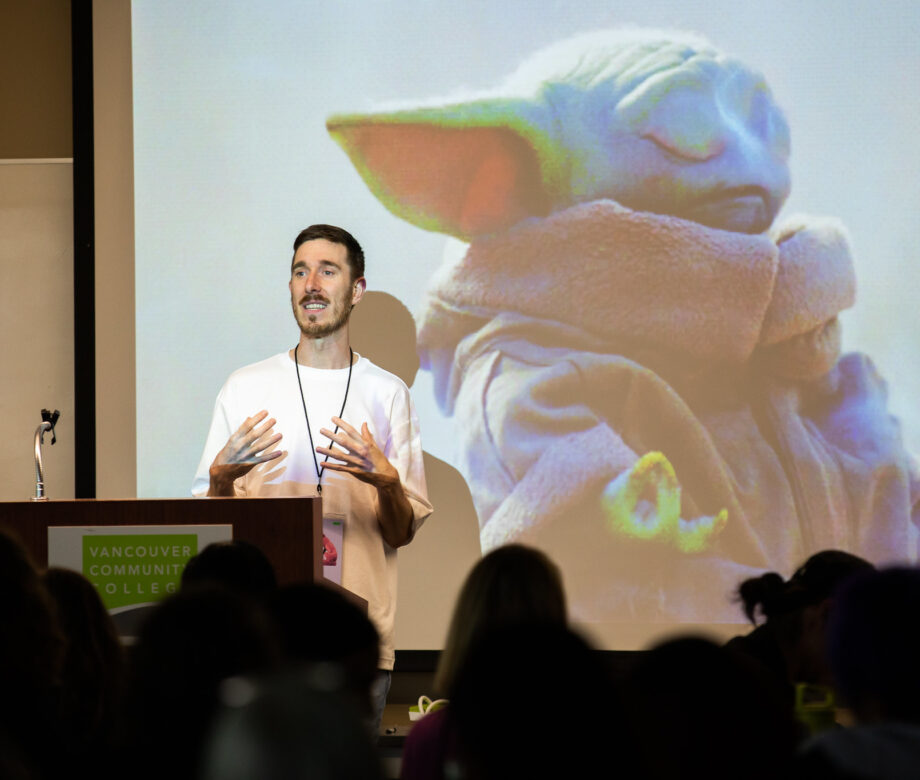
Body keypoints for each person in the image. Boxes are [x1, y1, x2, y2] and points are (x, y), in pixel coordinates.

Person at [192, 223, 433, 731]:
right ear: (290, 288)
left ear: (356, 290)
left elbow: (399, 532)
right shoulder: (245, 386)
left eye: (328, 271)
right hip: (261, 641)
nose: (312, 284)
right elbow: (212, 534)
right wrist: (219, 481)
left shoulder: (387, 395)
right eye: (301, 272)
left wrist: (388, 483)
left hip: (356, 645)